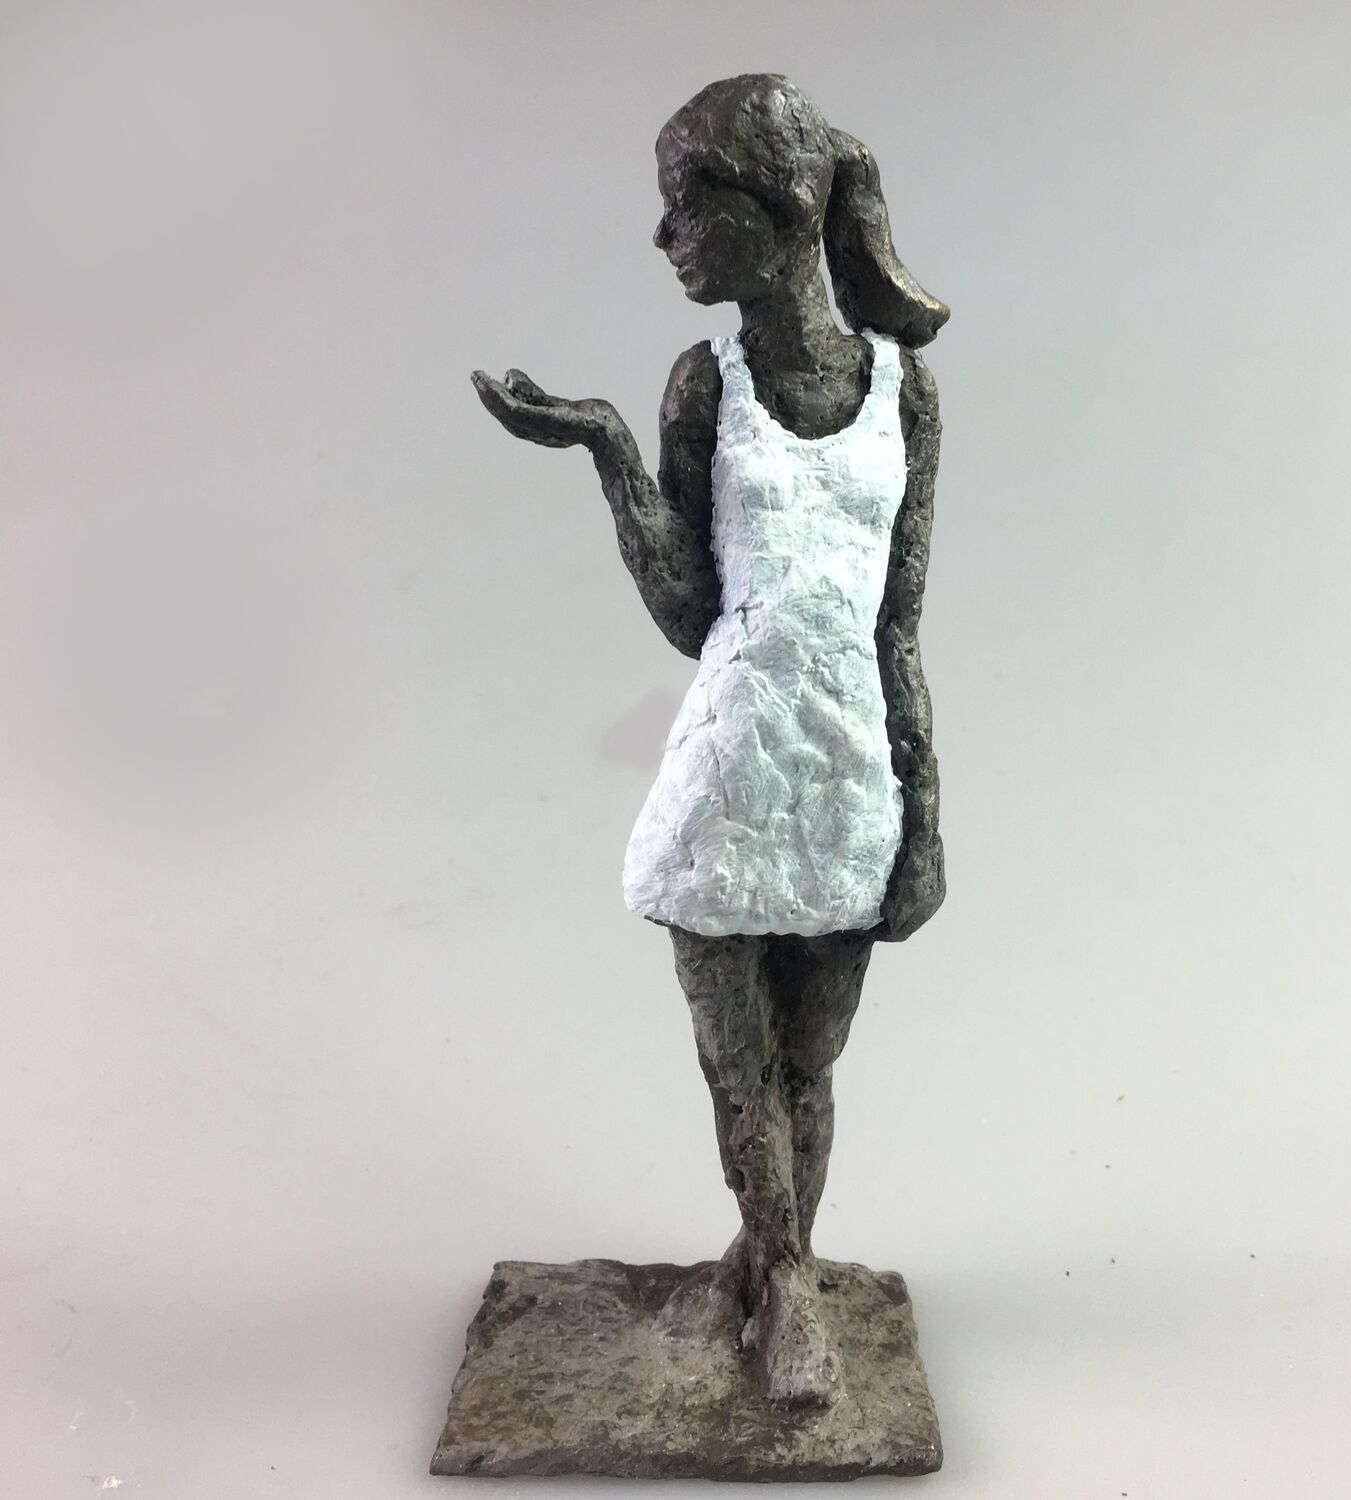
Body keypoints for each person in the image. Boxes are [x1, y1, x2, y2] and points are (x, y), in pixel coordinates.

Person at [472, 73, 947, 1410]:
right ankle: (788, 1289)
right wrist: (607, 446)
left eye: (687, 203)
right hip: (730, 771)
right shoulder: (706, 384)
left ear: (779, 207)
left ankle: (764, 1259)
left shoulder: (902, 393)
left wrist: (925, 820)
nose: (664, 234)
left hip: (848, 775)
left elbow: (900, 624)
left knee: (811, 1061)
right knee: (739, 1061)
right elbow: (695, 612)